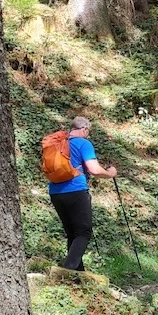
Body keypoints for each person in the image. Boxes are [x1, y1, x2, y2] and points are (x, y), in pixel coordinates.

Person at [48, 116, 117, 271]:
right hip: (76, 190)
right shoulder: (83, 143)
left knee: (73, 233)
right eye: (88, 131)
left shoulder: (59, 143)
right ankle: (67, 271)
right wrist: (110, 173)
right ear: (84, 129)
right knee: (83, 233)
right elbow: (94, 170)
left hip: (55, 192)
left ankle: (77, 275)